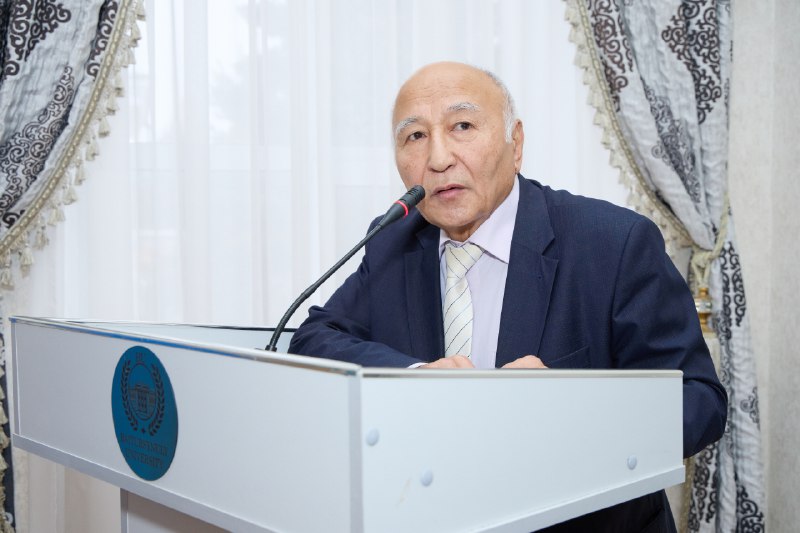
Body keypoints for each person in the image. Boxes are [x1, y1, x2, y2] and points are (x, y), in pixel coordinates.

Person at [288, 62, 727, 531]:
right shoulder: (395, 241)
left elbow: (698, 401)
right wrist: (413, 376)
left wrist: (569, 408)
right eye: (415, 136)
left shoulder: (613, 242)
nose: (438, 158)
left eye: (462, 126)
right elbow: (314, 338)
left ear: (515, 144)